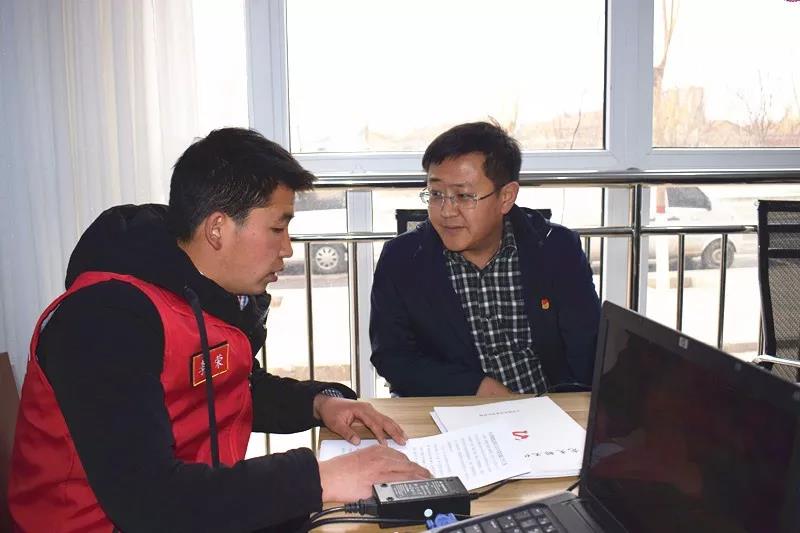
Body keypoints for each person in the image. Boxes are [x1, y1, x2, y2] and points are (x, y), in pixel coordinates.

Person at [8, 128, 430, 532]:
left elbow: (231, 387)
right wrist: (319, 478)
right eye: (277, 228)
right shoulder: (103, 321)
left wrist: (319, 403)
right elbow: (147, 501)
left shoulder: (206, 295)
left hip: (199, 512)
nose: (287, 248)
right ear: (217, 229)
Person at [370, 121, 600, 397]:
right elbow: (392, 357)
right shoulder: (402, 259)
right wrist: (475, 387)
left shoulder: (556, 249)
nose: (446, 211)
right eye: (436, 194)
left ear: (506, 197)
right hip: (451, 407)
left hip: (544, 405)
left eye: (464, 196)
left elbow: (587, 348)